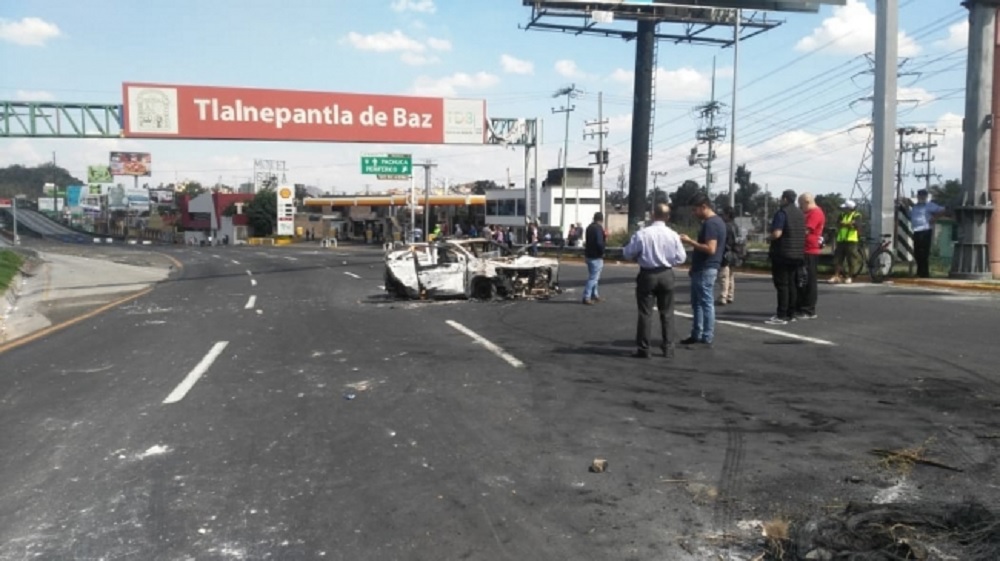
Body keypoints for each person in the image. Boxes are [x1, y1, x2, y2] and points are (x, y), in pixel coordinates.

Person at [622, 203, 687, 358]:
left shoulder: (643, 234)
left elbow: (627, 253)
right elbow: (682, 257)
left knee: (645, 313)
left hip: (648, 274)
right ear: (668, 217)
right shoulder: (673, 234)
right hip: (666, 274)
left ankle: (644, 349)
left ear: (652, 215)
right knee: (667, 313)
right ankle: (668, 347)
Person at [679, 193, 726, 347]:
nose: (694, 213)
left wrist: (689, 241)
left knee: (705, 303)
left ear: (704, 207)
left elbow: (710, 249)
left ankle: (706, 335)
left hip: (706, 268)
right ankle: (697, 333)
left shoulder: (711, 224)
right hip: (703, 267)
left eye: (695, 210)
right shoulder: (717, 222)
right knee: (698, 303)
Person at [766, 189, 806, 325]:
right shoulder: (800, 213)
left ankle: (781, 314)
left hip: (782, 253)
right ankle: (791, 313)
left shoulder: (782, 213)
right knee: (793, 284)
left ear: (784, 199)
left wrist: (769, 237)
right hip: (797, 254)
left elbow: (777, 233)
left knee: (782, 284)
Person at [795, 192, 825, 320]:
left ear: (807, 202)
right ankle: (801, 306)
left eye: (801, 204)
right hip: (804, 249)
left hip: (810, 250)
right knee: (802, 280)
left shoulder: (815, 213)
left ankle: (808, 309)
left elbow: (806, 230)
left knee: (808, 281)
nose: (800, 207)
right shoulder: (808, 213)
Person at [909, 189, 946, 278]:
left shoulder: (929, 205)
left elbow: (943, 210)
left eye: (923, 195)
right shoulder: (915, 207)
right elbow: (911, 216)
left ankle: (924, 273)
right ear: (917, 196)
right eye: (920, 195)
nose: (921, 197)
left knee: (923, 253)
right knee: (917, 253)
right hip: (916, 231)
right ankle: (919, 272)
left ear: (926, 196)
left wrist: (935, 217)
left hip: (925, 230)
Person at [831, 200, 861, 284]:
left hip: (851, 240)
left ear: (849, 208)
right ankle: (836, 276)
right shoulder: (842, 215)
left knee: (851, 259)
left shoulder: (857, 215)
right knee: (838, 258)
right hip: (841, 239)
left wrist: (846, 223)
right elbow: (838, 223)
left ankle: (850, 276)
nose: (843, 209)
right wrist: (849, 224)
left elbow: (856, 225)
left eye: (845, 208)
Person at [582, 212, 607, 305]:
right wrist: (602, 252)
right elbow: (599, 242)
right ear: (601, 220)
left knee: (594, 277)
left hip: (588, 254)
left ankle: (594, 294)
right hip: (596, 256)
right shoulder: (598, 228)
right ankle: (587, 296)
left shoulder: (589, 227)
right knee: (593, 278)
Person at [716, 207, 738, 306]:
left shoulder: (725, 226)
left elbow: (723, 241)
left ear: (728, 215)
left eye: (724, 214)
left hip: (726, 252)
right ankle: (730, 295)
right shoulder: (736, 226)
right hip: (735, 252)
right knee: (731, 275)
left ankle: (723, 297)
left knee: (723, 276)